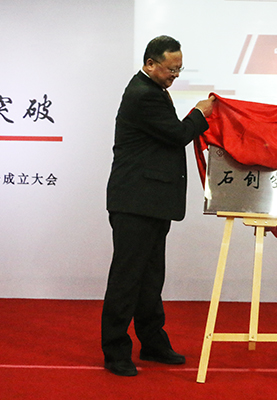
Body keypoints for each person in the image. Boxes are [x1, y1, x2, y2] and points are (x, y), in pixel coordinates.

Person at [102, 35, 215, 377]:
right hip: (135, 202)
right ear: (150, 64)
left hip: (150, 201)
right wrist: (200, 113)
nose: (175, 75)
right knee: (127, 279)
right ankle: (116, 351)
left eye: (179, 69)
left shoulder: (153, 90)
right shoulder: (143, 95)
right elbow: (178, 134)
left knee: (150, 279)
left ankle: (152, 342)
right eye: (171, 69)